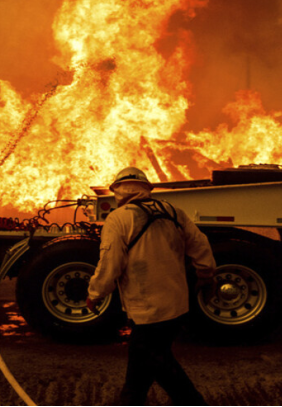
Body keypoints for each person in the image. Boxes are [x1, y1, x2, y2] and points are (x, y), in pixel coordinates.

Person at [87, 166, 217, 406]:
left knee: (159, 362)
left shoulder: (118, 218)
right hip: (177, 305)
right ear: (147, 189)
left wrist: (94, 294)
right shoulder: (173, 211)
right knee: (142, 361)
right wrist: (206, 274)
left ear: (116, 191)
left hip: (147, 310)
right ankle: (129, 401)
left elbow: (110, 263)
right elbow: (200, 244)